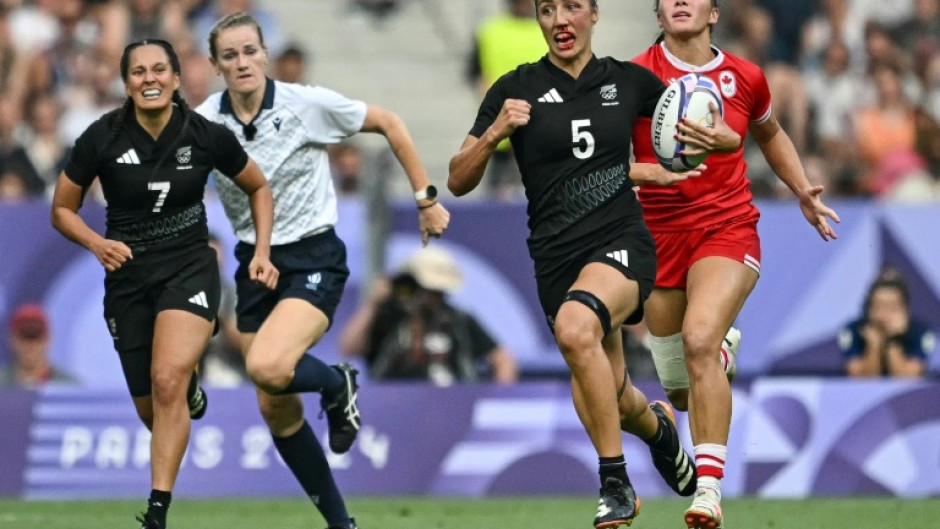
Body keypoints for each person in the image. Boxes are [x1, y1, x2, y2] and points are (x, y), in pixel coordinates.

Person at [448, 2, 721, 527]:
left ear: (594, 14)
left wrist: (696, 153)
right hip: (555, 258)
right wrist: (494, 133)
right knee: (613, 396)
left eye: (572, 6)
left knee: (577, 330)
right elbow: (459, 179)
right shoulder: (515, 88)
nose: (559, 20)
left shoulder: (628, 81)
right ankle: (658, 430)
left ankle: (614, 481)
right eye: (547, 9)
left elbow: (699, 125)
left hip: (621, 242)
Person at [196, 12, 450, 529]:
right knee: (275, 407)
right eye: (230, 55)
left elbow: (390, 123)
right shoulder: (204, 121)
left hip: (313, 256)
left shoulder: (304, 104)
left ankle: (337, 383)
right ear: (215, 65)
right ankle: (341, 523)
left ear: (265, 55)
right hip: (253, 263)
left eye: (250, 51)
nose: (242, 62)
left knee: (266, 366)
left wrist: (426, 198)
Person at [629, 2, 841, 528]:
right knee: (679, 389)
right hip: (658, 235)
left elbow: (769, 133)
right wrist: (648, 174)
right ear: (658, 11)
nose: (680, 1)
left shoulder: (745, 77)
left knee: (698, 338)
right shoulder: (632, 77)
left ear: (715, 12)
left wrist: (802, 194)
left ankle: (707, 492)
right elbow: (607, 158)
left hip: (727, 228)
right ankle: (719, 355)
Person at [50, 38, 277, 529]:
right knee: (155, 410)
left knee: (166, 379)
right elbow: (61, 210)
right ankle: (188, 390)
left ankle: (157, 511)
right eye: (137, 71)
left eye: (158, 70)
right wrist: (96, 244)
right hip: (127, 277)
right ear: (126, 82)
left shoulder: (205, 135)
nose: (148, 78)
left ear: (176, 79)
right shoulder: (100, 138)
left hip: (189, 266)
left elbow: (258, 186)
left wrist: (261, 251)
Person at [339, 247, 518, 385]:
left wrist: (494, 401)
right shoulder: (389, 316)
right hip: (394, 411)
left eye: (439, 291)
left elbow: (504, 361)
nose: (433, 296)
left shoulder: (458, 320)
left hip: (450, 409)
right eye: (428, 290)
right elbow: (349, 347)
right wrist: (373, 304)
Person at [465, 0, 546, 199]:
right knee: (498, 180)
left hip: (537, 119)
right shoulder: (489, 32)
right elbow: (474, 73)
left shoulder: (545, 31)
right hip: (501, 117)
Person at [839, 272, 935, 377]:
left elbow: (907, 379)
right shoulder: (853, 331)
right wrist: (874, 347)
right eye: (878, 306)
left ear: (905, 310)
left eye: (892, 307)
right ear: (868, 309)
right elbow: (861, 381)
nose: (884, 314)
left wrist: (893, 340)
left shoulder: (921, 333)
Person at [0, 303, 72, 386]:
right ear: (13, 339)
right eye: (24, 336)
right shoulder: (2, 383)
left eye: (36, 336)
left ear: (48, 338)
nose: (31, 345)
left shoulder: (68, 386)